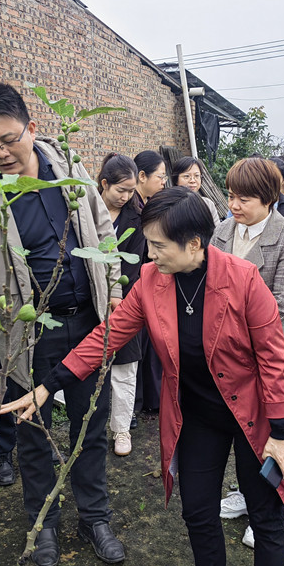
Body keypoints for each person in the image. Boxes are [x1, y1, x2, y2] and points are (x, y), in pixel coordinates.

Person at [2, 187, 284, 566]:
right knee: (198, 511)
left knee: (265, 515)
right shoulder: (152, 280)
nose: (150, 255)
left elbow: (274, 360)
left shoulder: (243, 280)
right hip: (197, 415)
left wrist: (282, 431)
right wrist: (49, 386)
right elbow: (108, 336)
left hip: (252, 413)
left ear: (193, 244)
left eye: (158, 245)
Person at [0, 82, 125, 566]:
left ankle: (95, 517)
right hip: (27, 333)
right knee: (31, 430)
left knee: (90, 425)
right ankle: (42, 522)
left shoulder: (69, 168)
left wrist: (113, 296)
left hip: (90, 324)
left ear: (32, 127)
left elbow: (105, 235)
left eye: (9, 139)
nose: (1, 152)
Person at [210, 157, 284, 548]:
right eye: (232, 196)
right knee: (236, 428)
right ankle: (242, 492)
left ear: (268, 198)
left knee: (270, 435)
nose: (235, 205)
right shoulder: (221, 232)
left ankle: (266, 506)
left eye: (244, 198)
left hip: (267, 357)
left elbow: (283, 304)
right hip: (226, 359)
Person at [97, 153, 145, 456]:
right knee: (91, 369)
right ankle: (91, 427)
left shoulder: (135, 219)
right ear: (104, 183)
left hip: (125, 303)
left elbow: (133, 265)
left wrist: (121, 302)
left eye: (130, 191)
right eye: (120, 191)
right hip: (88, 301)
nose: (126, 197)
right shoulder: (83, 212)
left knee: (125, 370)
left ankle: (121, 430)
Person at [132, 150, 167, 414]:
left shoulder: (145, 205)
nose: (163, 182)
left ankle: (149, 401)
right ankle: (139, 404)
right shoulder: (133, 211)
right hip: (137, 287)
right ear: (141, 176)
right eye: (160, 176)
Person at [172, 156, 221, 224]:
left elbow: (217, 231)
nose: (192, 180)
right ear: (176, 180)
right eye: (187, 176)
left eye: (197, 176)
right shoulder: (169, 205)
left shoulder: (207, 204)